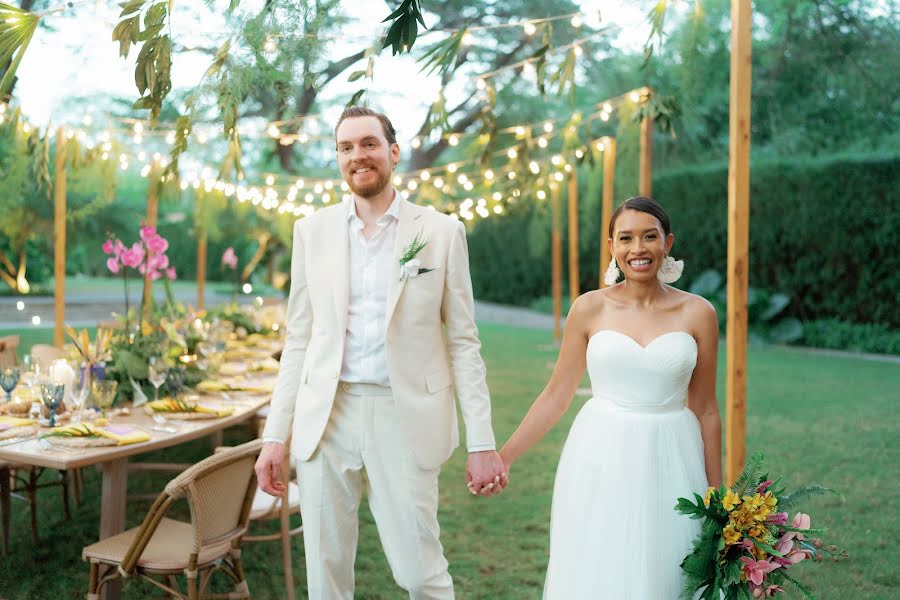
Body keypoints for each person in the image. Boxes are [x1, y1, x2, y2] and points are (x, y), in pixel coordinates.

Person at [254, 105, 507, 600]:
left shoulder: (440, 232)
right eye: (345, 147)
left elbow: (462, 342)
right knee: (325, 578)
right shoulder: (312, 231)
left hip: (404, 413)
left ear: (393, 152)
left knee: (420, 574)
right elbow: (300, 340)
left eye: (368, 144)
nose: (357, 155)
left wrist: (482, 441)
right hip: (326, 415)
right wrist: (274, 436)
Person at [499, 196, 723, 598]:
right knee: (599, 566)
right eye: (626, 239)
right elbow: (556, 395)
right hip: (599, 457)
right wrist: (505, 456)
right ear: (612, 247)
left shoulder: (699, 312)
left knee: (669, 568)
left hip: (673, 457)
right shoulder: (588, 309)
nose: (638, 249)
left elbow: (706, 408)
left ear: (667, 243)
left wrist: (718, 496)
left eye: (649, 237)